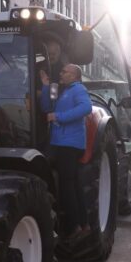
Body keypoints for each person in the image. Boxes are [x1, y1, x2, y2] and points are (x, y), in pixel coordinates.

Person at [39, 64, 92, 240]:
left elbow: (86, 108)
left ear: (74, 75)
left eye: (64, 72)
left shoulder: (78, 89)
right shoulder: (61, 90)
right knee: (74, 183)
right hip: (60, 142)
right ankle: (83, 224)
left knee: (67, 184)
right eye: (61, 71)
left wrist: (59, 117)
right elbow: (47, 107)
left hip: (69, 144)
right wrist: (46, 85)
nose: (60, 73)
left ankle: (73, 227)